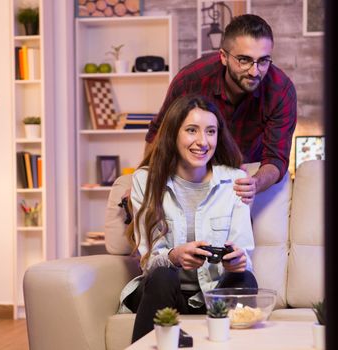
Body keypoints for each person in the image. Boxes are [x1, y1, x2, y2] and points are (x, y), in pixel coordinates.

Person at [119, 94, 258, 343]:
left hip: (213, 296)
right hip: (165, 292)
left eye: (211, 131)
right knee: (163, 275)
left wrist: (238, 261)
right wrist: (173, 257)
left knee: (245, 278)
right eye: (191, 130)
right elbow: (148, 260)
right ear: (173, 134)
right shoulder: (145, 181)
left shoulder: (234, 181)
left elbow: (244, 254)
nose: (202, 141)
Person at [145, 14, 297, 204]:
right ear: (224, 57)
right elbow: (158, 134)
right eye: (244, 60)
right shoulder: (191, 80)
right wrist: (146, 183)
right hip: (195, 169)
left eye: (263, 60)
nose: (254, 71)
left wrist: (255, 183)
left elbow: (276, 158)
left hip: (249, 171)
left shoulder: (281, 90)